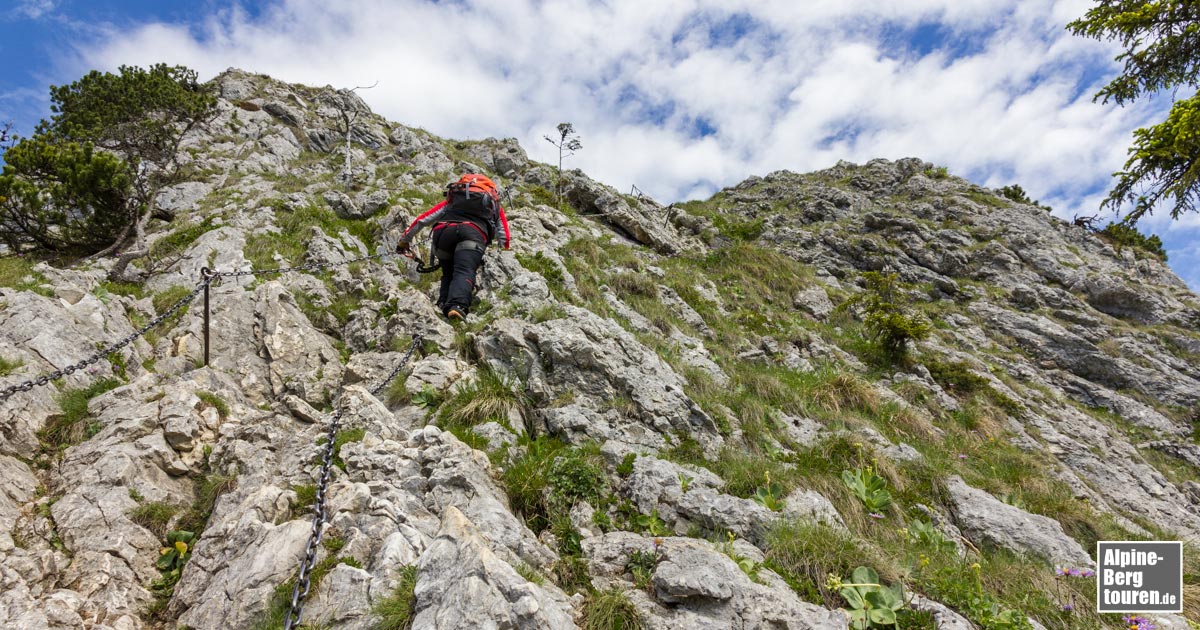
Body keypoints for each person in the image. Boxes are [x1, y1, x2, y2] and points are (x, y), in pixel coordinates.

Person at [396, 174, 510, 321]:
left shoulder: (453, 200)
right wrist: (504, 251)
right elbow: (504, 234)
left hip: (443, 235)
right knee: (464, 270)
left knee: (448, 273)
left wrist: (404, 241)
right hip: (472, 234)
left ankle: (443, 304)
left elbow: (423, 220)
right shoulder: (493, 204)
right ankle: (457, 305)